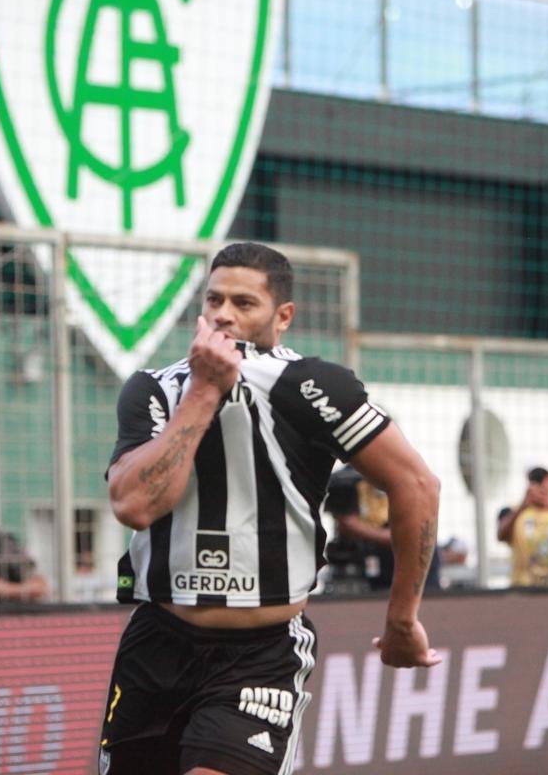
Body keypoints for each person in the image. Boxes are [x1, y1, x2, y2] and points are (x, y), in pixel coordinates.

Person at [98, 242, 441, 775]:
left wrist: (402, 619)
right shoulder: (155, 389)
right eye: (213, 301)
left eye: (243, 303)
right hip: (157, 643)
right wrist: (205, 392)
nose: (224, 315)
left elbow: (417, 484)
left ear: (282, 318)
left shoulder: (311, 386)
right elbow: (136, 504)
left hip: (259, 654)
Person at [323, 464, 441, 593]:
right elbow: (345, 525)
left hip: (410, 569)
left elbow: (418, 532)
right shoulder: (345, 479)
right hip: (367, 567)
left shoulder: (410, 476)